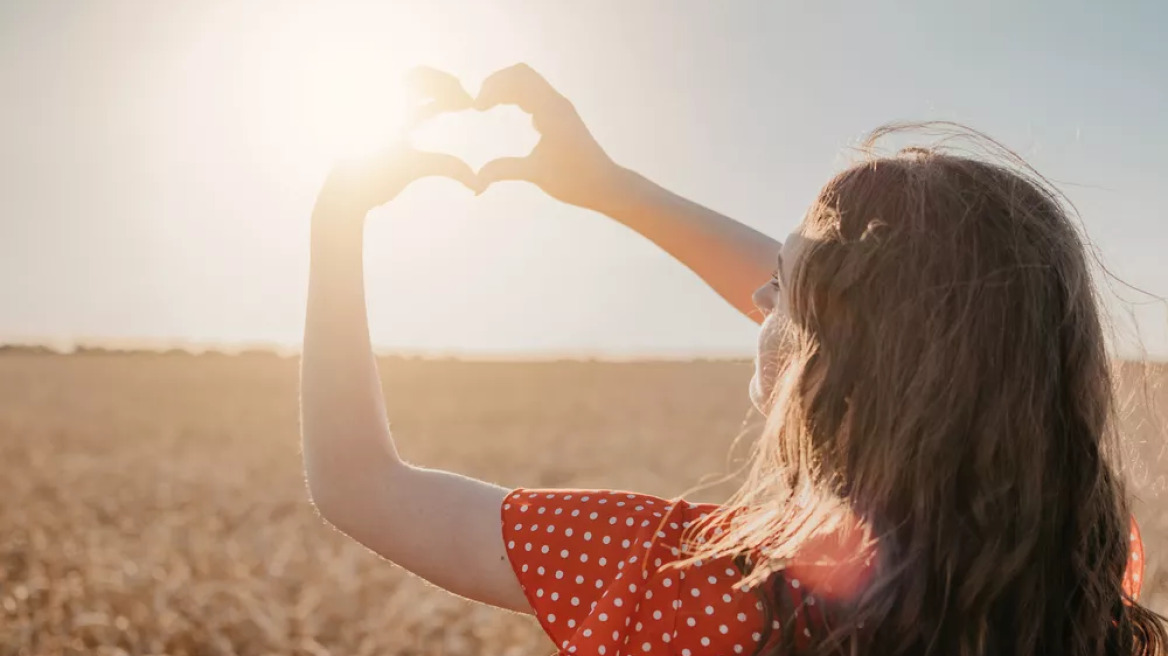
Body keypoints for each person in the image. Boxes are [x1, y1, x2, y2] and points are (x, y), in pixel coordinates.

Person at [300, 64, 1165, 655]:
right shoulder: (1083, 566)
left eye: (782, 289)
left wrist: (337, 215)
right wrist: (605, 184)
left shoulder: (678, 576)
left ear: (841, 367)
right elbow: (897, 327)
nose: (757, 296)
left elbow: (358, 484)